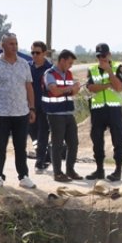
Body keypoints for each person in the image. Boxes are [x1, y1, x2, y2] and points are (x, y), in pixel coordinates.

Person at [0, 33, 36, 189]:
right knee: (0, 147)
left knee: (20, 147)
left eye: (16, 43)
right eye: (11, 44)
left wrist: (32, 108)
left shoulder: (24, 64)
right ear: (3, 46)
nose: (14, 47)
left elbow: (29, 87)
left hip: (21, 112)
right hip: (2, 113)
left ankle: (23, 176)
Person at [86, 43, 122, 181]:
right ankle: (99, 170)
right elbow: (91, 87)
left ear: (109, 55)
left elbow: (119, 87)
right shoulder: (92, 69)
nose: (101, 59)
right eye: (99, 56)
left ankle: (118, 170)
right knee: (96, 140)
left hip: (114, 109)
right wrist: (107, 85)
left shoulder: (118, 67)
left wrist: (109, 71)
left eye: (104, 55)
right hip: (97, 110)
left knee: (118, 139)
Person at [44, 49, 82, 182]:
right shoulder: (50, 74)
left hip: (68, 113)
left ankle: (70, 170)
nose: (71, 66)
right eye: (69, 63)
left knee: (74, 143)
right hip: (55, 114)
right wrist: (69, 89)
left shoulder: (69, 74)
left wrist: (75, 90)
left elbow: (68, 93)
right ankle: (58, 173)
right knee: (57, 144)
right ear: (62, 60)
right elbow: (54, 91)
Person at [29, 41, 53, 172]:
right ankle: (46, 155)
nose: (34, 55)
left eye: (37, 53)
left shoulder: (50, 69)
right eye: (32, 52)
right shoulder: (27, 67)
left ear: (44, 53)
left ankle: (39, 162)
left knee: (43, 133)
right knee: (33, 134)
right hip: (30, 106)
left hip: (45, 107)